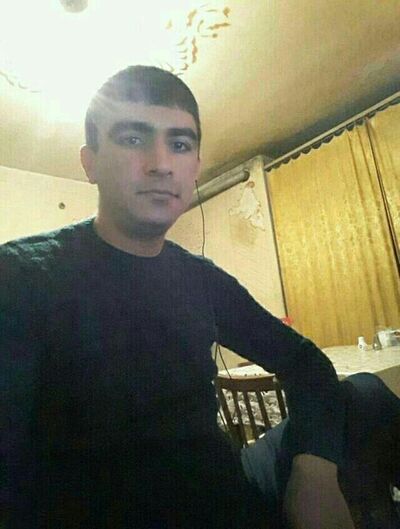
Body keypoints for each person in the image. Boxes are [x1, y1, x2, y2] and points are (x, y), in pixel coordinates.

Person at [0, 65, 399, 529]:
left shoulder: (201, 280)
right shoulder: (22, 275)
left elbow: (306, 363)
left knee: (365, 394)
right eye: (133, 138)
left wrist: (315, 472)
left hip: (224, 487)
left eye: (179, 144)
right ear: (90, 163)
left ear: (194, 168)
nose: (161, 163)